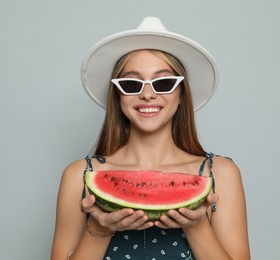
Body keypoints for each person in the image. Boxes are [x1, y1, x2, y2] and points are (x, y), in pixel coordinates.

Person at [51, 17, 250, 260]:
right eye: (132, 84)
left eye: (164, 82)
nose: (147, 94)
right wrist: (99, 227)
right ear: (118, 96)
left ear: (182, 96)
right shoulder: (80, 176)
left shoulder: (220, 174)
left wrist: (196, 224)